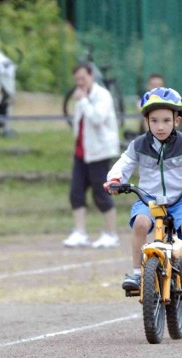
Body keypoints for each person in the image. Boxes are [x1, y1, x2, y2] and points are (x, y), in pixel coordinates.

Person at [104, 87, 182, 300]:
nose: (160, 126)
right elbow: (124, 163)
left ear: (177, 120)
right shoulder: (139, 145)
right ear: (147, 121)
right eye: (154, 121)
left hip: (181, 199)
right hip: (149, 199)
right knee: (140, 224)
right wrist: (115, 180)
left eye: (166, 120)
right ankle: (137, 274)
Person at [63, 63, 120, 249]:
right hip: (82, 152)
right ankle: (80, 232)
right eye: (77, 80)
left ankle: (111, 233)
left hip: (100, 152)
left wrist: (84, 101)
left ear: (91, 76)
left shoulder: (101, 95)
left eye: (83, 78)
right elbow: (79, 124)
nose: (80, 83)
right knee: (76, 192)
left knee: (101, 191)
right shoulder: (82, 98)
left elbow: (97, 119)